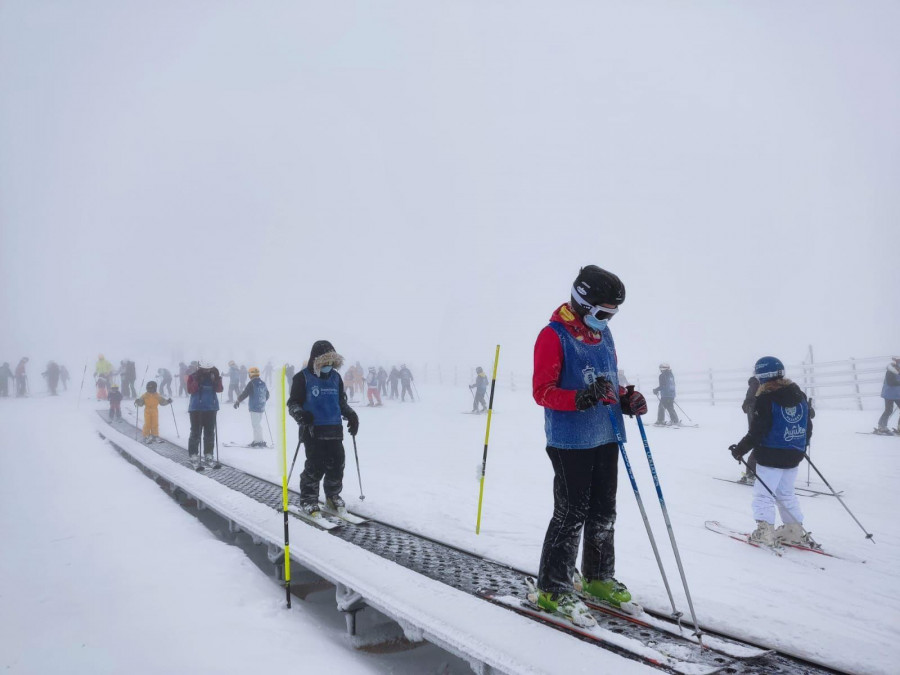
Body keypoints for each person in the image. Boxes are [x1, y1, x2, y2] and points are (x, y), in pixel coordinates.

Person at [531, 265, 648, 627]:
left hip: (607, 433)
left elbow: (612, 380)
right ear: (580, 302)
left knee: (603, 512)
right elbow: (542, 392)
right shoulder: (553, 336)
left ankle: (598, 577)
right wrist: (581, 397)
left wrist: (626, 400)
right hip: (571, 440)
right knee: (571, 514)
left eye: (613, 313)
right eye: (601, 312)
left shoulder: (604, 336)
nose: (607, 319)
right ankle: (553, 588)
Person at [728, 356, 819, 550]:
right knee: (786, 493)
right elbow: (807, 424)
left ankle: (765, 531)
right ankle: (793, 530)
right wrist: (803, 444)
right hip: (794, 452)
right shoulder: (798, 394)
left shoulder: (766, 398)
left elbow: (758, 430)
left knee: (764, 495)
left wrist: (740, 450)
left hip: (771, 454)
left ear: (762, 376)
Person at [287, 340, 359, 515]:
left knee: (337, 464)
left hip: (334, 429)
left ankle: (332, 496)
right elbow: (293, 403)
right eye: (324, 362)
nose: (328, 366)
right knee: (315, 465)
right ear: (315, 360)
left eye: (331, 362)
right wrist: (301, 414)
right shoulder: (302, 377)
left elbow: (340, 401)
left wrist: (351, 415)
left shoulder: (336, 378)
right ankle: (309, 499)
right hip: (312, 430)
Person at [187, 361, 223, 468]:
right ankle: (193, 454)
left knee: (210, 433)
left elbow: (219, 389)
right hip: (196, 408)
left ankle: (208, 454)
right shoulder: (193, 376)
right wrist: (197, 380)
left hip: (211, 408)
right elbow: (190, 390)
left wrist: (217, 378)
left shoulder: (213, 376)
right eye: (204, 369)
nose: (207, 371)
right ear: (200, 368)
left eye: (209, 369)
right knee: (195, 432)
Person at [234, 367, 270, 447]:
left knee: (255, 425)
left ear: (250, 374)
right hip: (261, 407)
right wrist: (262, 401)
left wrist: (238, 400)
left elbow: (245, 393)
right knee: (258, 424)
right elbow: (267, 394)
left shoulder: (252, 383)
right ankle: (259, 440)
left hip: (254, 407)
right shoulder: (263, 383)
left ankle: (258, 441)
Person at [738, 375, 761, 484]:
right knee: (758, 444)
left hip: (756, 419)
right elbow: (747, 404)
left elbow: (746, 405)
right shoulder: (756, 384)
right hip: (757, 419)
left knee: (758, 444)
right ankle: (751, 473)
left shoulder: (755, 384)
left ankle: (752, 473)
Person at [875, 356, 900, 435]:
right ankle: (881, 427)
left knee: (888, 410)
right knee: (888, 410)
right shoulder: (890, 371)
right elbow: (890, 382)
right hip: (889, 393)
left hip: (897, 394)